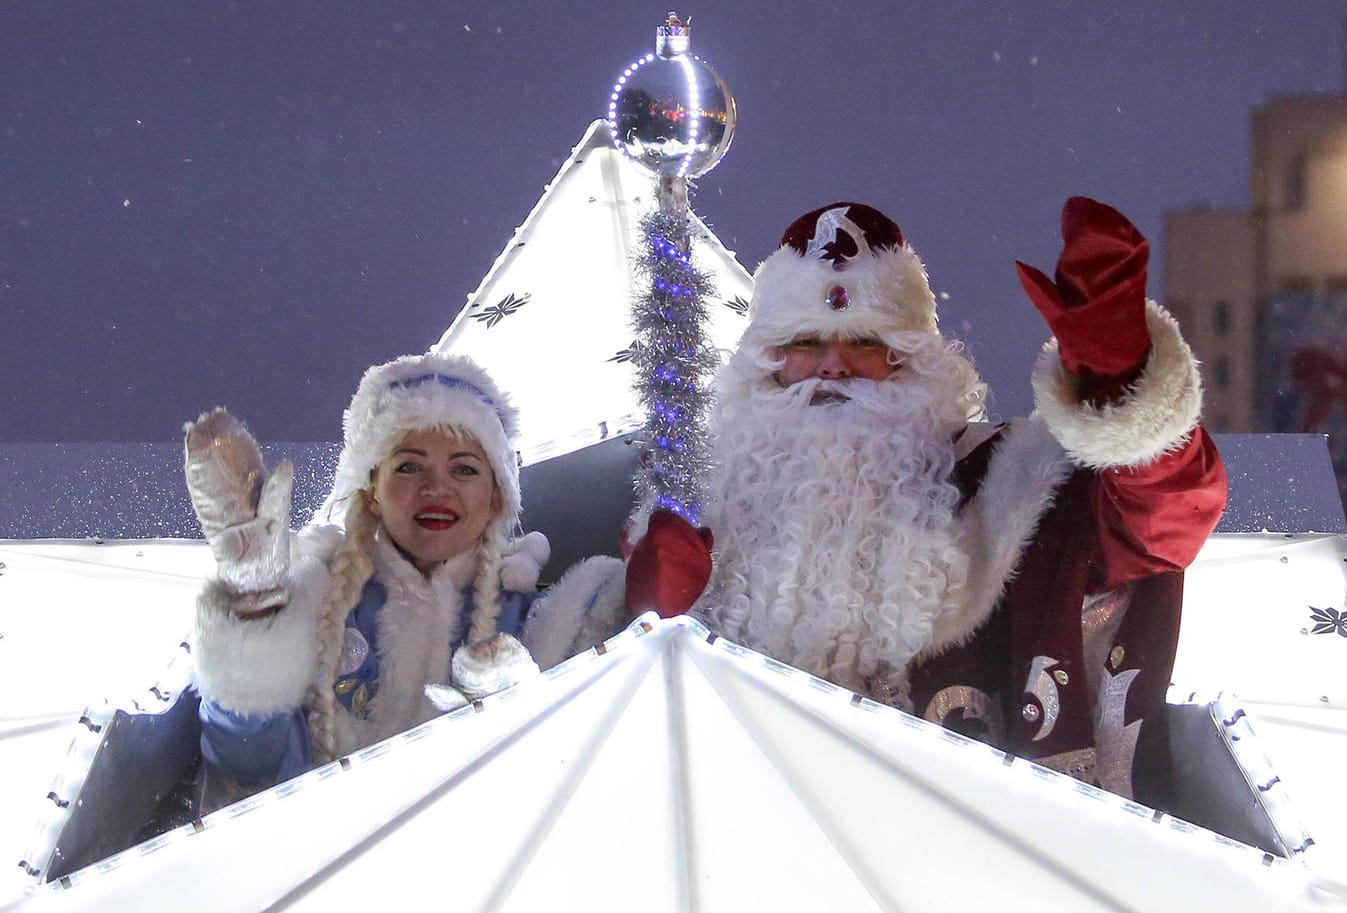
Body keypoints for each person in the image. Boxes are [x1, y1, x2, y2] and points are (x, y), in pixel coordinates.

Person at [625, 197, 1226, 795]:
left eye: (865, 342)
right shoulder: (700, 499)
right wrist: (647, 624)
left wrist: (1122, 387)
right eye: (804, 340)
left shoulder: (1008, 477)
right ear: (767, 361)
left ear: (914, 362)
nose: (832, 367)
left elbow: (1163, 524)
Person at [186, 353, 627, 809]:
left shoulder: (546, 621)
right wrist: (252, 607)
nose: (436, 488)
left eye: (464, 469)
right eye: (410, 467)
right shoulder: (317, 611)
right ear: (371, 493)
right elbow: (245, 769)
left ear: (496, 498)